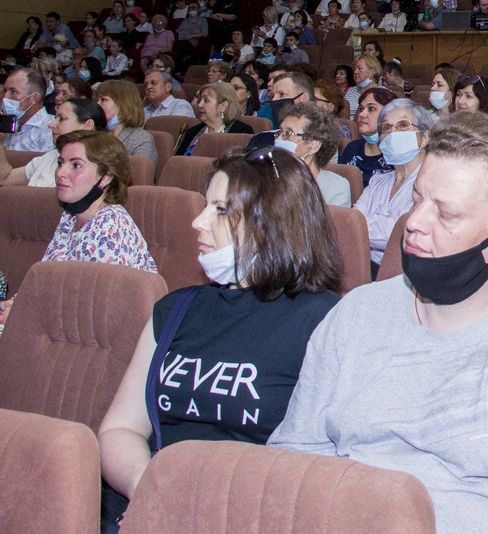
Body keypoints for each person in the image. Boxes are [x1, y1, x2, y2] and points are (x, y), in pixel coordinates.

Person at [269, 114, 488, 531]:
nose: (415, 224)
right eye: (416, 200)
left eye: (445, 214)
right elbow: (294, 465)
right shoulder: (356, 312)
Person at [98, 146, 342, 527]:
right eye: (205, 206)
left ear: (273, 221)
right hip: (149, 502)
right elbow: (121, 428)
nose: (197, 221)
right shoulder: (176, 310)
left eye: (220, 210)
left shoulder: (325, 320)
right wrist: (149, 486)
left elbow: (319, 466)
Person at [42, 130, 155, 272]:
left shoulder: (111, 225)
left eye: (76, 165)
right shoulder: (70, 216)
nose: (59, 173)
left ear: (106, 176)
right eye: (60, 163)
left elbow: (97, 293)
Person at [355, 98, 435, 270]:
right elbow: (354, 226)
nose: (392, 133)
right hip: (363, 266)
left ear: (424, 138)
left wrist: (365, 234)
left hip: (407, 271)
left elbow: (405, 236)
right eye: (386, 128)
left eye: (403, 125)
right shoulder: (378, 181)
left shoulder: (434, 183)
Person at [0, 98, 104, 187]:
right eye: (55, 118)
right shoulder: (52, 156)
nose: (51, 124)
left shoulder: (98, 165)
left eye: (61, 119)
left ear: (88, 125)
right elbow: (5, 178)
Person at [276, 102, 351, 207]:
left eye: (288, 133)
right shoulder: (271, 176)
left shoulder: (336, 187)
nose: (278, 139)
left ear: (313, 145)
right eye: (279, 132)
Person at [175, 82, 254, 156]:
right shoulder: (192, 132)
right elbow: (178, 162)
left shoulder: (242, 132)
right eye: (200, 100)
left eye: (206, 100)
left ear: (223, 106)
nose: (200, 105)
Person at [94, 80, 160, 167]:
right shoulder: (96, 134)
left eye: (103, 99)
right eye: (97, 100)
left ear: (123, 104)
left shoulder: (142, 139)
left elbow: (140, 174)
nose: (97, 104)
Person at [338, 86, 395, 186]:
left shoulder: (397, 155)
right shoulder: (351, 148)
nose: (362, 114)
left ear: (389, 114)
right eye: (361, 109)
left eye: (371, 109)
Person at [2, 65, 54, 152]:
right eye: (5, 90)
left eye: (13, 92)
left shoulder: (50, 129)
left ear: (33, 98)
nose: (5, 97)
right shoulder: (8, 123)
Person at [343, 55, 382, 120]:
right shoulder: (350, 91)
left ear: (373, 71)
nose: (355, 72)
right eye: (354, 69)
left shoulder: (383, 93)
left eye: (359, 68)